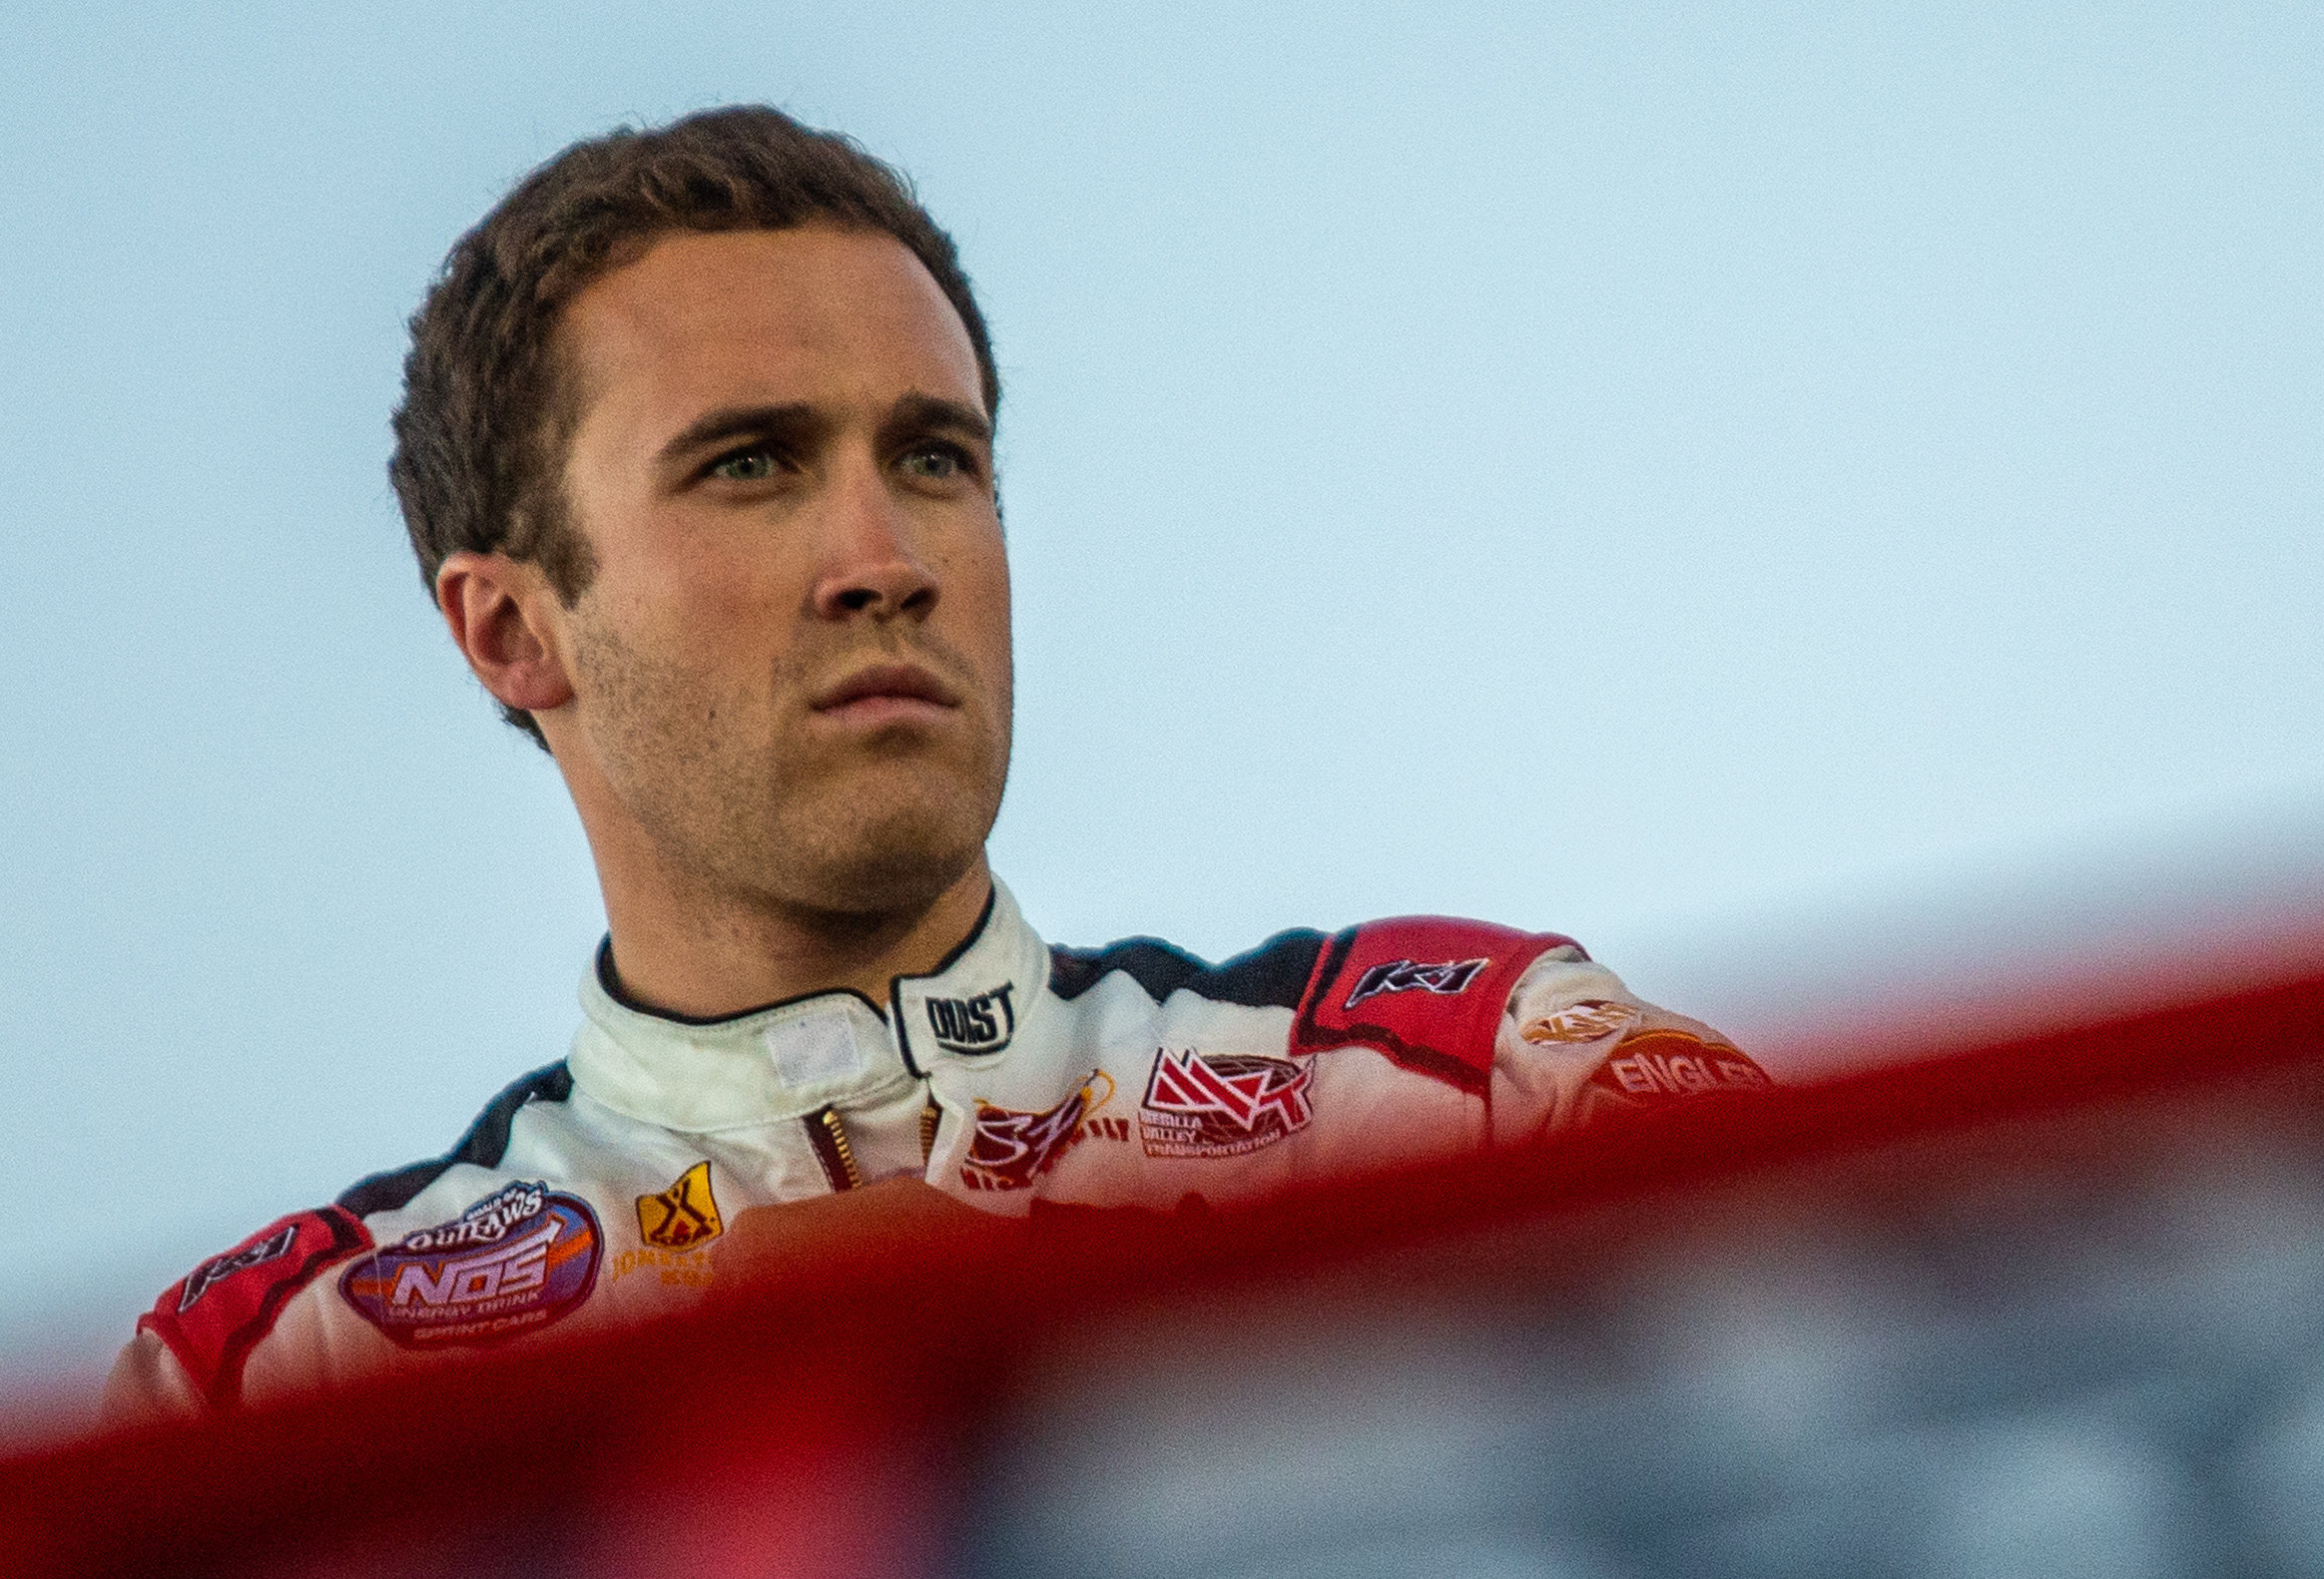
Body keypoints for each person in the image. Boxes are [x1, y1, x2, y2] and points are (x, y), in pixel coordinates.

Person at [113, 108, 1762, 1422]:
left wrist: (1081, 1345)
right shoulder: (274, 1368)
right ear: (508, 632)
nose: (884, 554)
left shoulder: (1481, 1076)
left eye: (936, 456)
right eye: (751, 464)